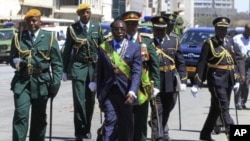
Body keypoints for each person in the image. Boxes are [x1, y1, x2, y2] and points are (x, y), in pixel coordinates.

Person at [9, 9, 63, 141]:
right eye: (29, 21)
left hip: (41, 83)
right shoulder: (18, 37)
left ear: (40, 21)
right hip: (22, 82)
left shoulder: (49, 38)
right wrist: (16, 62)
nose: (31, 23)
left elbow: (57, 64)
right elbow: (12, 58)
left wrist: (55, 84)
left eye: (34, 20)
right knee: (21, 115)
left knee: (39, 118)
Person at [191, 17, 245, 141]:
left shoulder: (230, 42)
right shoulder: (209, 43)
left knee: (215, 109)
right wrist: (196, 83)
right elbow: (202, 63)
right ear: (215, 29)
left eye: (225, 29)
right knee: (224, 107)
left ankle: (205, 134)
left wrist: (236, 79)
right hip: (216, 79)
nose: (223, 31)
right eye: (220, 29)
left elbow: (236, 60)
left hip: (229, 80)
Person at [62, 3, 103, 140]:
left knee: (90, 101)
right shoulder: (73, 29)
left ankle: (87, 128)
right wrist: (64, 70)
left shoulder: (96, 27)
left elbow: (103, 48)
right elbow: (67, 49)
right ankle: (78, 132)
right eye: (83, 13)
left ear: (90, 13)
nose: (86, 14)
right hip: (78, 66)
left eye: (87, 12)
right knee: (79, 101)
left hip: (93, 67)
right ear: (79, 15)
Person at [96, 19, 142, 141]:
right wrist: (99, 94)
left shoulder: (135, 48)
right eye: (116, 29)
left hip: (126, 93)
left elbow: (137, 72)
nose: (120, 31)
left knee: (126, 124)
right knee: (110, 120)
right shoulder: (104, 47)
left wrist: (132, 91)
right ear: (112, 31)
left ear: (126, 31)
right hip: (109, 92)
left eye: (122, 29)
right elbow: (99, 72)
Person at [121, 11, 160, 141]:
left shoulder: (146, 42)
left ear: (138, 25)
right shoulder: (119, 41)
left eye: (134, 24)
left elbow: (154, 64)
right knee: (124, 119)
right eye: (129, 24)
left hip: (142, 87)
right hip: (123, 85)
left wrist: (156, 85)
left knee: (141, 120)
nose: (131, 27)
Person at [150, 15, 187, 141]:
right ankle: (158, 136)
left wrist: (183, 80)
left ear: (166, 29)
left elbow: (180, 61)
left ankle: (161, 126)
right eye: (158, 30)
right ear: (154, 29)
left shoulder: (174, 41)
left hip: (170, 80)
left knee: (168, 107)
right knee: (157, 109)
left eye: (163, 30)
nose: (160, 32)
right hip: (154, 81)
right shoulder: (148, 42)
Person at [233, 23, 250, 110]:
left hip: (249, 64)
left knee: (246, 84)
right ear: (245, 30)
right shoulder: (237, 38)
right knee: (239, 82)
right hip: (239, 63)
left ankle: (243, 101)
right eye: (248, 31)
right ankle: (237, 102)